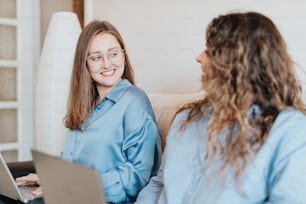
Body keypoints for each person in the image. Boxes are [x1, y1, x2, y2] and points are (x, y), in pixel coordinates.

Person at [135, 11, 306, 204]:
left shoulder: (289, 130)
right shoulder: (186, 119)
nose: (199, 58)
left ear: (237, 63)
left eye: (209, 50)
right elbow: (158, 185)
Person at [16, 20, 162, 203]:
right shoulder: (86, 106)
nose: (107, 63)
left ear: (124, 56)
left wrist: (68, 185)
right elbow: (74, 163)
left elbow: (136, 177)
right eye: (96, 57)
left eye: (113, 54)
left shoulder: (134, 100)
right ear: (84, 63)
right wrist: (50, 178)